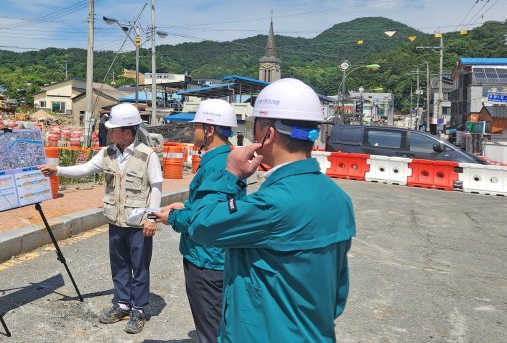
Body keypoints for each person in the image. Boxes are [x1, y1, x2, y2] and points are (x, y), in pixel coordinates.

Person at [187, 78, 356, 342]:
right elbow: (337, 295)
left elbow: (201, 224)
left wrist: (230, 175)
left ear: (268, 133)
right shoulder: (338, 198)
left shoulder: (272, 203)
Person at [38, 103, 163, 334]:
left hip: (138, 224)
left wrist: (151, 218)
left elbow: (156, 187)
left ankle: (139, 309)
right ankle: (123, 304)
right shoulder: (107, 153)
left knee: (140, 267)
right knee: (119, 265)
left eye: (113, 129)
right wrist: (58, 171)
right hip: (116, 222)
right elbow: (84, 169)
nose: (109, 132)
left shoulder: (147, 156)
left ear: (127, 131)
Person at [151, 98, 244, 343]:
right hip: (217, 257)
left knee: (210, 329)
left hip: (206, 260)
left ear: (210, 130)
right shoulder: (226, 158)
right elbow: (214, 206)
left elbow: (205, 220)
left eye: (197, 127)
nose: (194, 131)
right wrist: (185, 205)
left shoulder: (214, 166)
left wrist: (171, 216)